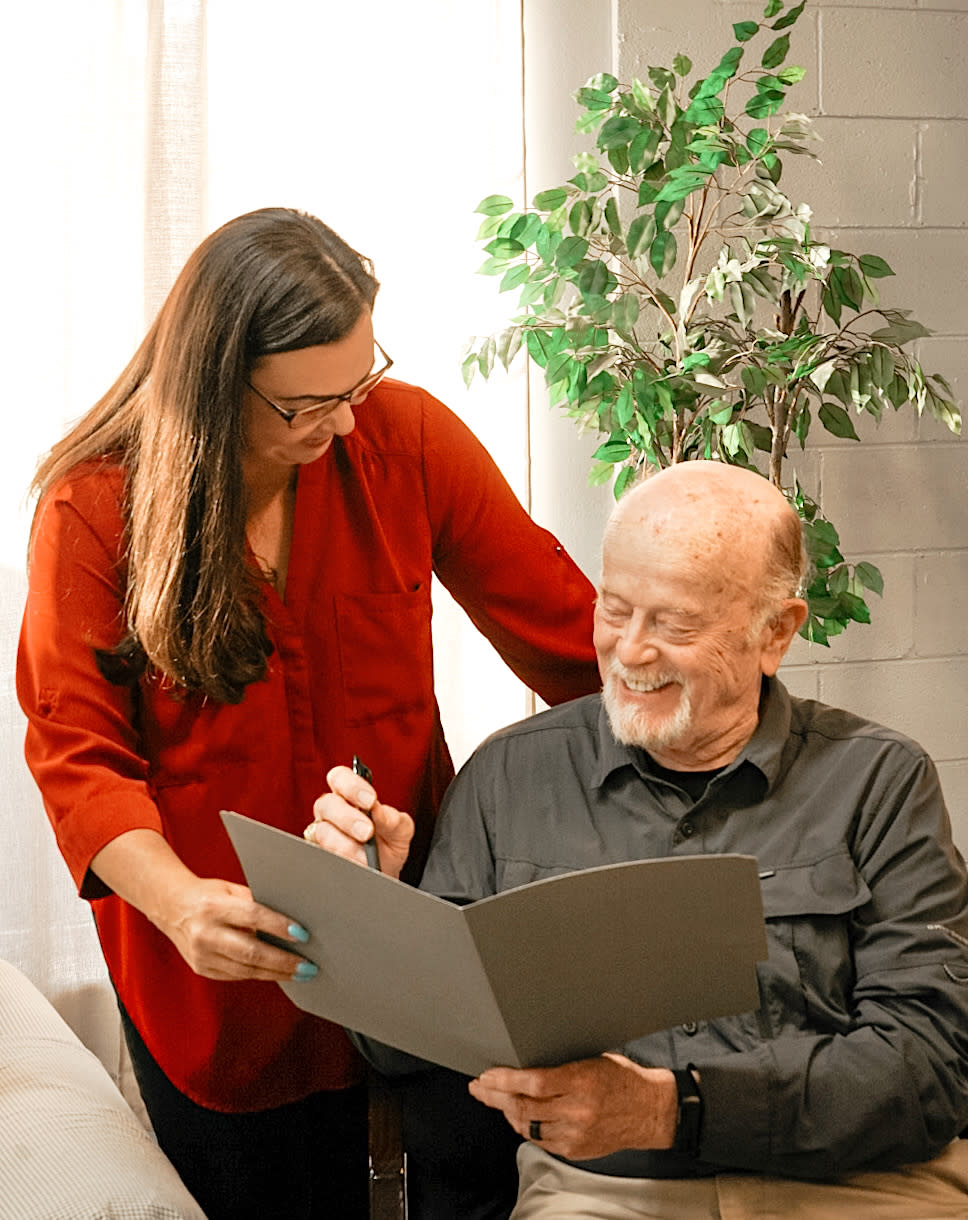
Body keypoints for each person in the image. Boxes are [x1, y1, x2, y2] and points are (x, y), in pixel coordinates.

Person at [16, 206, 602, 1220]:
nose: (340, 423)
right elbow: (77, 752)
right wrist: (178, 903)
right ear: (214, 386)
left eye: (357, 382)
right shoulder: (92, 508)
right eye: (305, 405)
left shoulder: (406, 437)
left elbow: (571, 639)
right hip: (215, 971)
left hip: (415, 938)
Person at [311, 460, 968, 1219]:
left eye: (676, 624)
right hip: (608, 1195)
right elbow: (406, 1054)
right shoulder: (508, 778)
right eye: (614, 610)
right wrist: (366, 912)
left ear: (776, 634)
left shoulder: (878, 783)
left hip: (860, 1186)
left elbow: (931, 1066)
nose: (630, 652)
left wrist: (673, 1108)